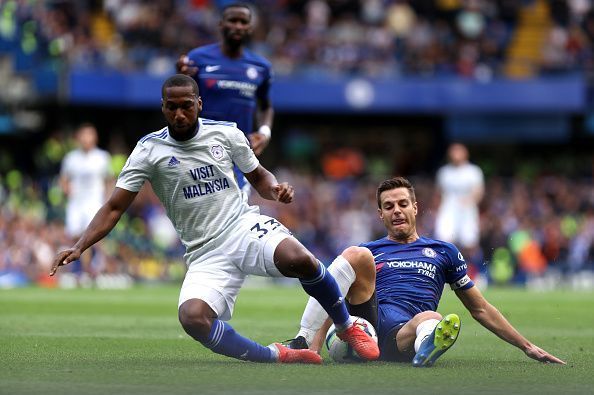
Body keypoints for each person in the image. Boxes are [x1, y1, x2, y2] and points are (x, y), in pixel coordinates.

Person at [49, 74, 379, 364]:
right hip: (204, 253)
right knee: (192, 318)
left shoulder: (227, 134)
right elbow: (113, 207)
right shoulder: (148, 150)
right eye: (172, 107)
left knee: (301, 259)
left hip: (242, 227)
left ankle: (346, 326)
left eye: (186, 106)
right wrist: (80, 246)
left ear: (199, 104)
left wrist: (275, 189)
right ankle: (275, 355)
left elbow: (258, 176)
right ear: (163, 108)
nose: (179, 113)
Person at [286, 177, 565, 367]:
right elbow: (331, 294)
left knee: (431, 317)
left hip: (404, 334)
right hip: (365, 327)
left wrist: (527, 346)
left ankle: (425, 347)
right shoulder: (369, 250)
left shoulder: (443, 251)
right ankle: (309, 342)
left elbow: (480, 308)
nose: (396, 211)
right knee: (356, 255)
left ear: (415, 208)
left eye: (403, 204)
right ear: (380, 214)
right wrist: (319, 342)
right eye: (388, 206)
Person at [176, 2, 274, 194]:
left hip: (239, 158)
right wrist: (180, 75)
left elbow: (266, 106)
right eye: (233, 20)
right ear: (221, 24)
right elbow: (182, 99)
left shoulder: (261, 67)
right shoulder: (198, 58)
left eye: (243, 22)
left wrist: (264, 133)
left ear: (250, 28)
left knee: (234, 219)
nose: (238, 26)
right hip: (200, 153)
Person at [59, 123, 112, 275]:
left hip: (94, 202)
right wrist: (66, 190)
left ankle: (104, 269)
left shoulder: (102, 157)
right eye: (84, 135)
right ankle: (83, 270)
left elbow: (109, 180)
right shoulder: (71, 158)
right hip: (76, 203)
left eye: (90, 135)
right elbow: (64, 179)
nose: (86, 139)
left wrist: (108, 200)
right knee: (76, 238)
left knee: (96, 238)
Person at [434, 143, 485, 275]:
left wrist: (470, 201)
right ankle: (447, 273)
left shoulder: (473, 171)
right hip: (448, 211)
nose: (456, 155)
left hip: (467, 211)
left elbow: (479, 192)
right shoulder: (444, 172)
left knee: (470, 244)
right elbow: (439, 193)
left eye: (459, 151)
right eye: (453, 152)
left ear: (465, 153)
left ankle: (474, 273)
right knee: (444, 242)